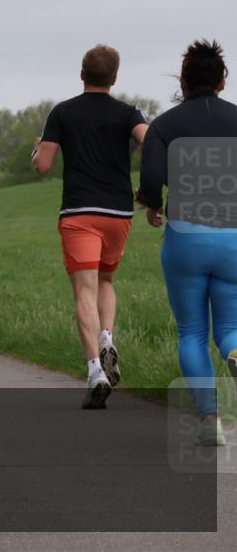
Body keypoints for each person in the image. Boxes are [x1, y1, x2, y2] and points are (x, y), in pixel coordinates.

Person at [33, 44, 148, 410]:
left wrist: (36, 150)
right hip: (118, 212)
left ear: (81, 74)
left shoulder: (62, 112)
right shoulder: (128, 113)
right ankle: (107, 336)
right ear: (114, 78)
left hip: (79, 211)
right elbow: (152, 141)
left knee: (83, 291)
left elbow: (43, 166)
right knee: (106, 281)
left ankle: (96, 370)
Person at [138, 39, 237, 445]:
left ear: (182, 80)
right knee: (229, 327)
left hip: (186, 237)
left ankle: (208, 418)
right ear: (223, 81)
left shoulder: (164, 125)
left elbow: (148, 179)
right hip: (233, 236)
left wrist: (152, 205)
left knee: (192, 331)